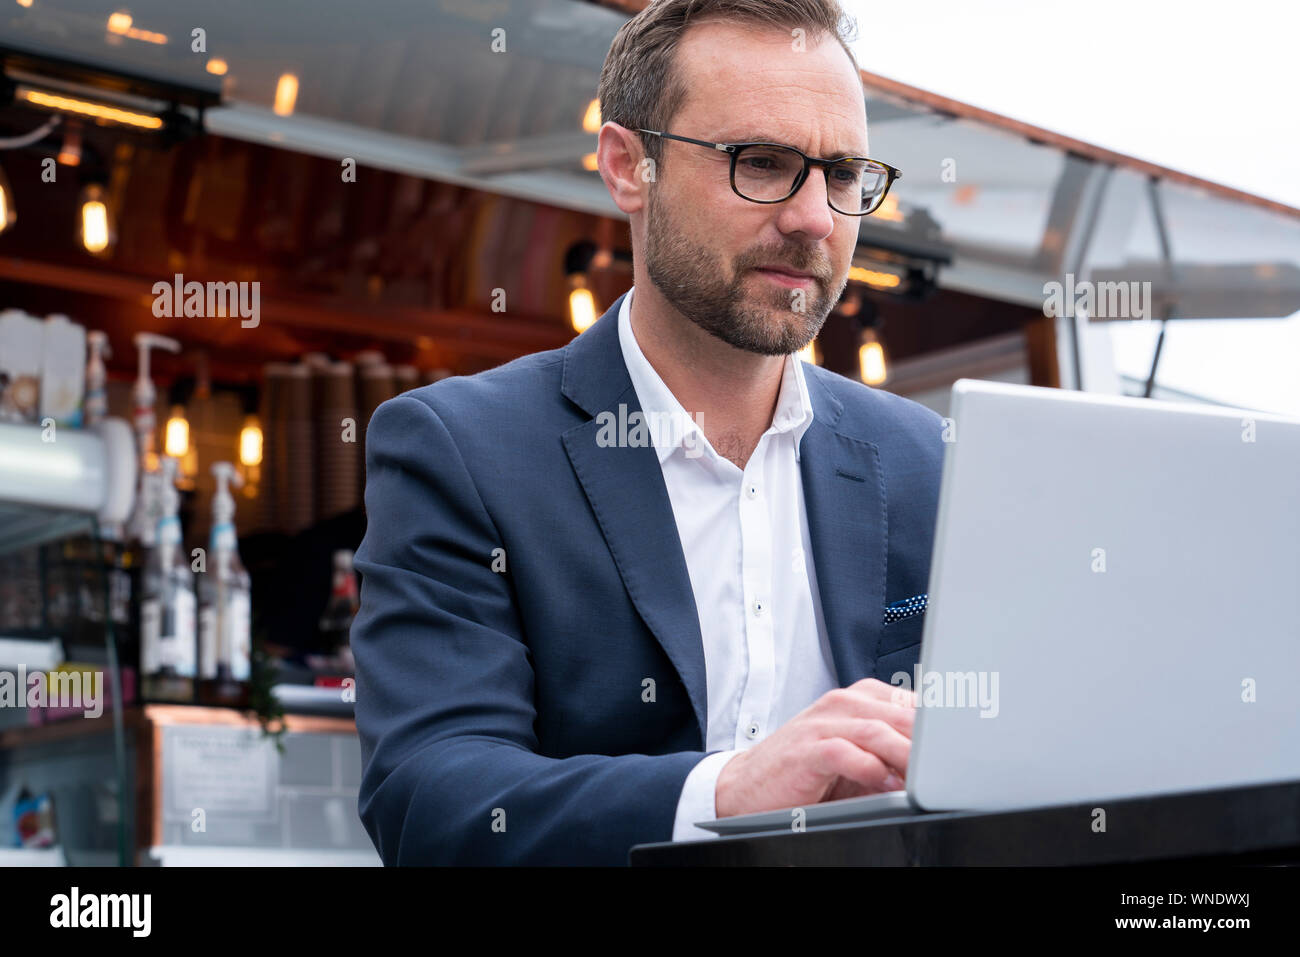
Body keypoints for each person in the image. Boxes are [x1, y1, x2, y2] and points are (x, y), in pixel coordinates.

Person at [353, 0, 943, 865]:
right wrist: (724, 792)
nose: (817, 217)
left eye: (844, 174)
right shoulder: (462, 450)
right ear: (629, 167)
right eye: (763, 162)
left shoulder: (923, 459)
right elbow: (430, 797)